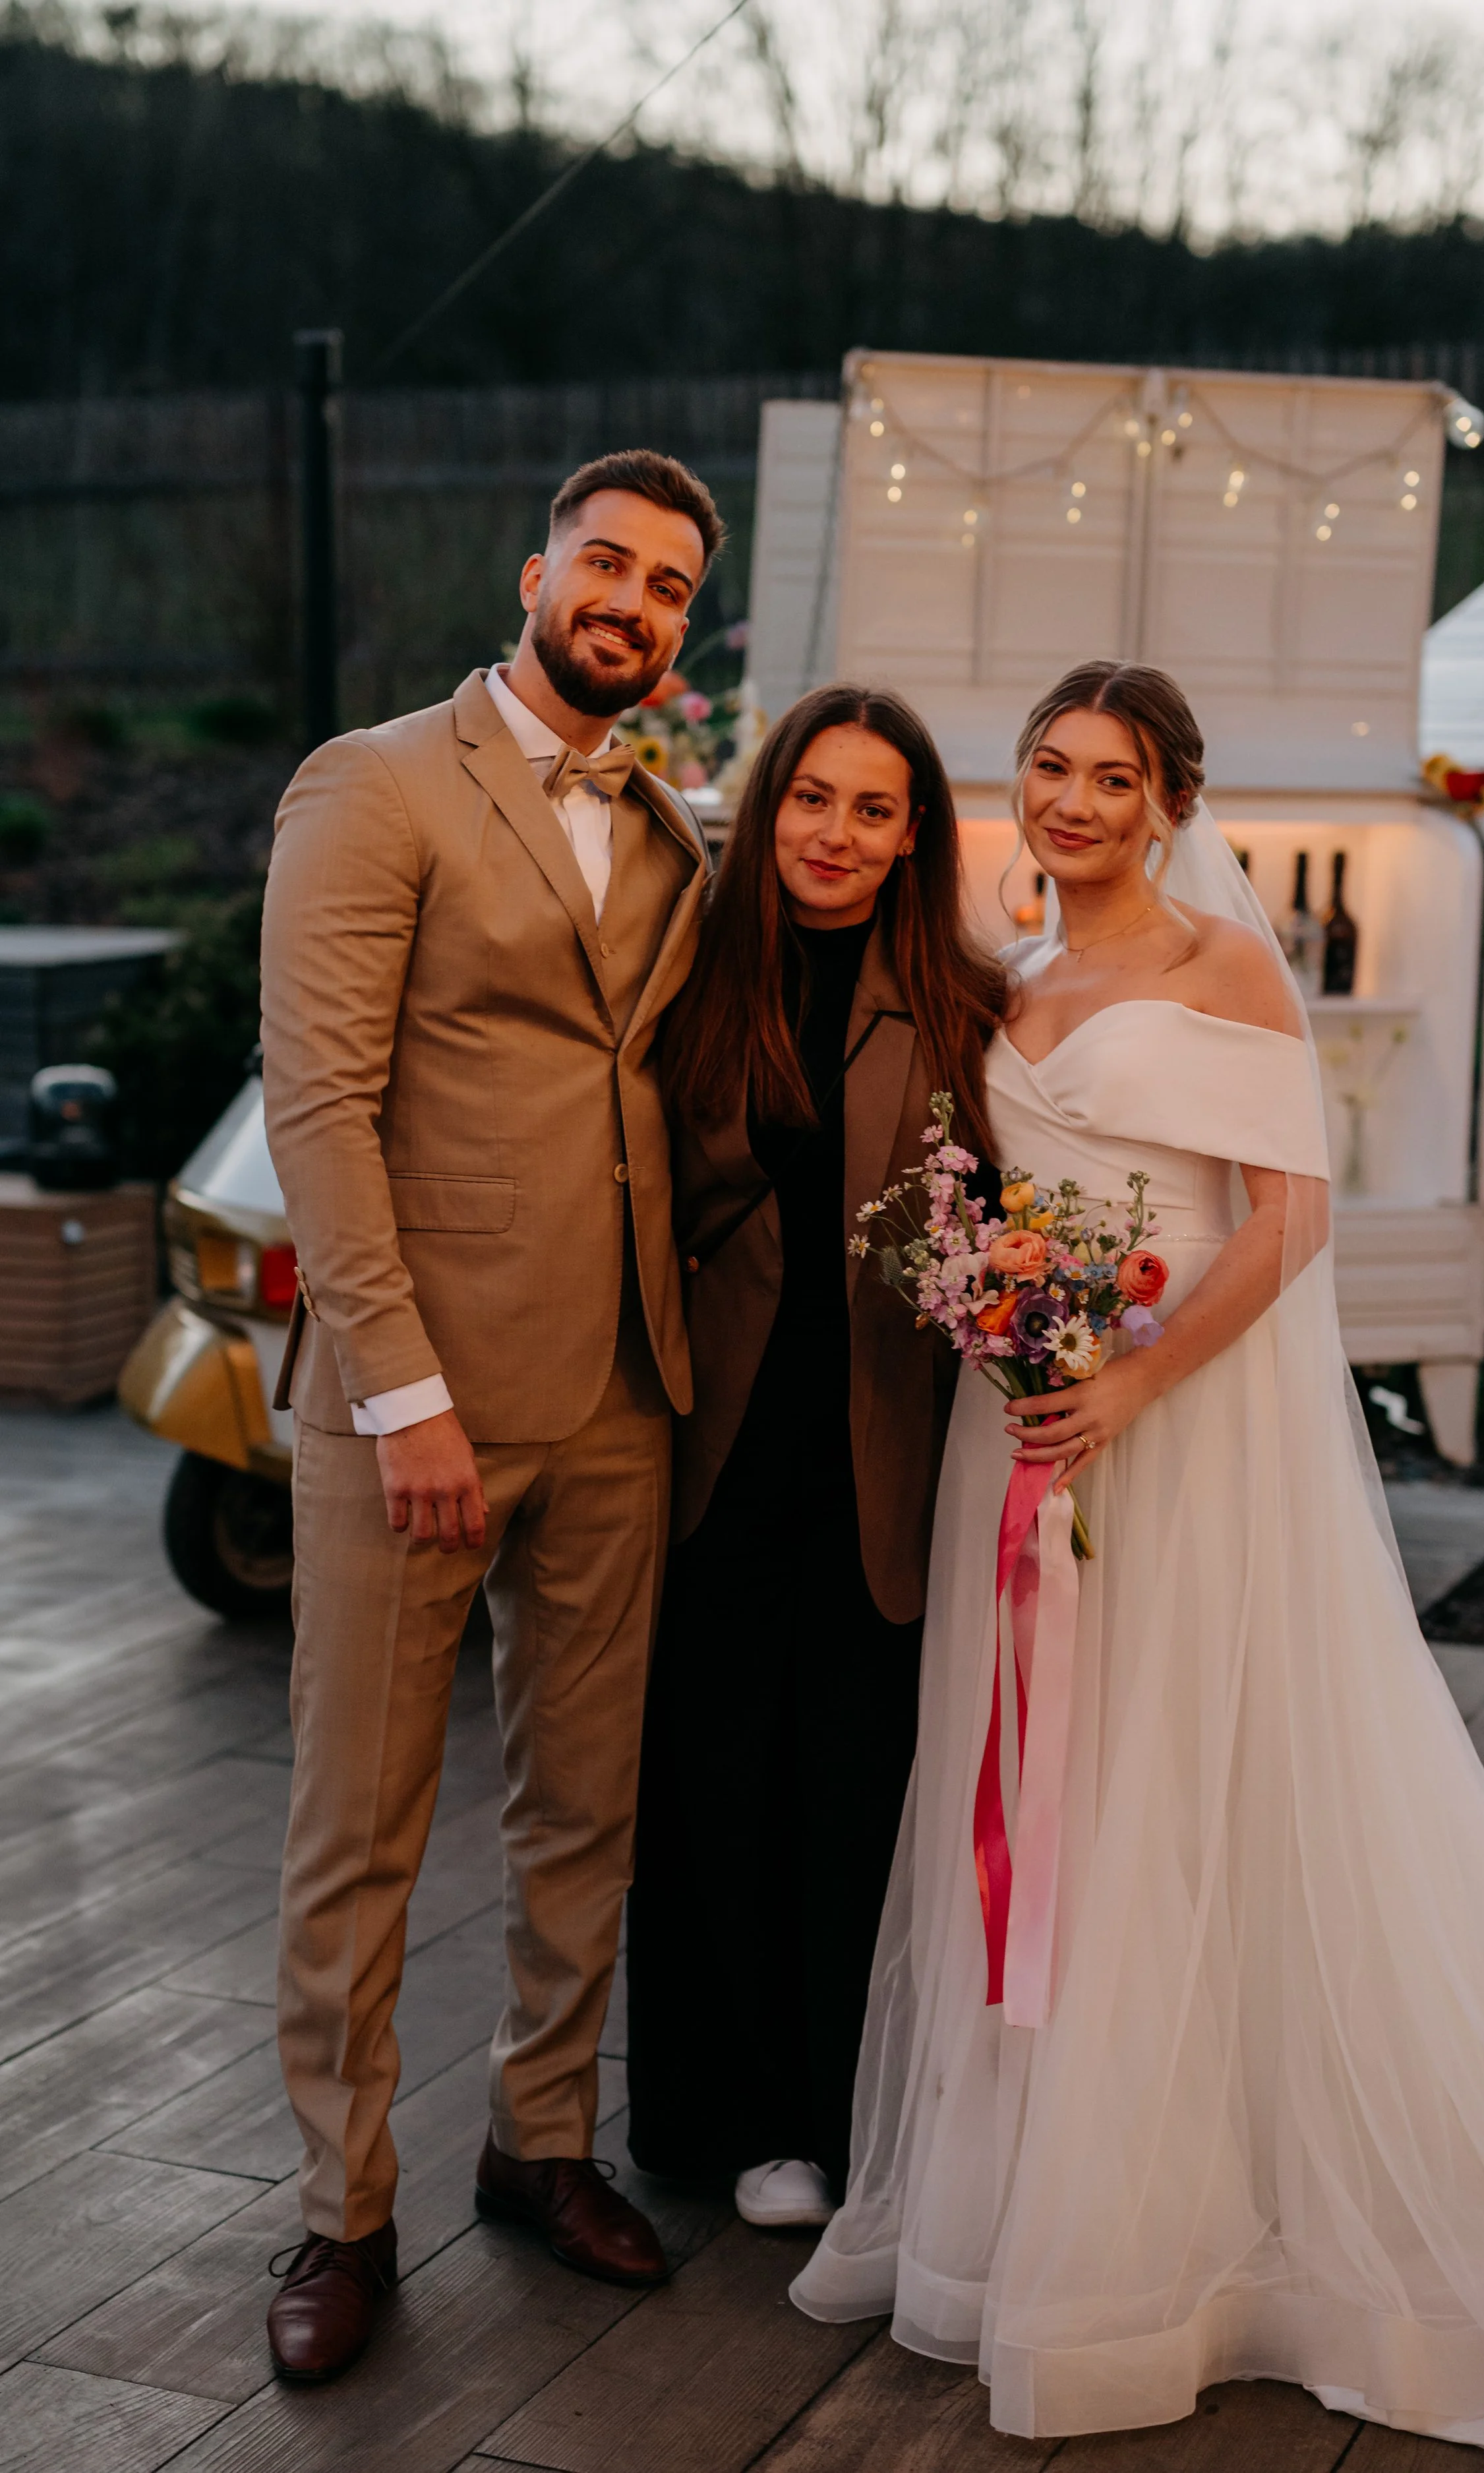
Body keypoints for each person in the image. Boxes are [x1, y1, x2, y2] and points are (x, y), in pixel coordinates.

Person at [793, 659, 1484, 2468]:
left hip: (1166, 1421)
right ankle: (1035, 2170)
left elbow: (1287, 1223)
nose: (1073, 798)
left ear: (1170, 800)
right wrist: (1011, 1336)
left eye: (1112, 773)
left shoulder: (1219, 963)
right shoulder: (1006, 974)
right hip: (1018, 1430)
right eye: (1046, 765)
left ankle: (1174, 2211)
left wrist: (1128, 1381)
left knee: (1169, 1777)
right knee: (1035, 1780)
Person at [258, 449, 723, 2383]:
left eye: (670, 585)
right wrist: (405, 1392)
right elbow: (319, 1111)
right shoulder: (372, 783)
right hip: (418, 1407)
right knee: (360, 1823)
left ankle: (540, 2140)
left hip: (626, 1387)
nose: (630, 600)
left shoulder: (675, 827)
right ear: (535, 570)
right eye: (605, 562)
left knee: (583, 1806)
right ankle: (340, 2204)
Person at [625, 684, 1005, 2230]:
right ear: (763, 801)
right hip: (704, 1441)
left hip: (882, 1451)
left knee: (851, 1787)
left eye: (869, 808)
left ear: (911, 832)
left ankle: (833, 2114)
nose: (832, 836)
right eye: (809, 799)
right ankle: (717, 2113)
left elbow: (990, 1228)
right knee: (706, 1782)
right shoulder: (685, 972)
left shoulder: (965, 1001)